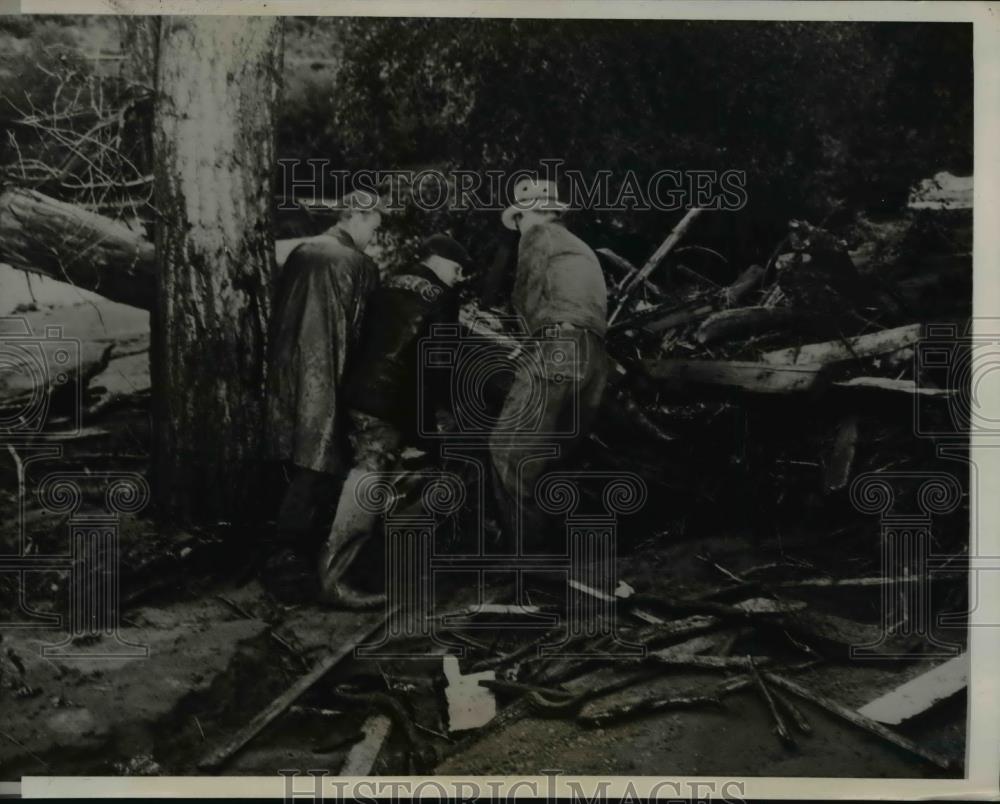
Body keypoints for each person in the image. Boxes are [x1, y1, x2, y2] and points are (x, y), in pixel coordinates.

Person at [318, 234, 474, 608]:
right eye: (456, 270)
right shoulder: (442, 298)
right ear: (439, 262)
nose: (458, 278)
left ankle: (374, 566)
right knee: (369, 483)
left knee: (372, 478)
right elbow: (431, 373)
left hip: (357, 393)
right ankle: (335, 581)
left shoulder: (388, 282)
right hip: (390, 404)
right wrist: (428, 431)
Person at [264, 189, 384, 602]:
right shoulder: (358, 265)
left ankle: (283, 556)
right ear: (355, 218)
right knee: (319, 465)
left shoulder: (300, 253)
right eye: (374, 226)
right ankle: (296, 563)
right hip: (328, 374)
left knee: (295, 459)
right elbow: (365, 333)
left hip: (289, 369)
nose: (375, 235)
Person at [489, 177, 609, 549]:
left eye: (520, 220)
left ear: (533, 214)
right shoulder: (581, 247)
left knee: (507, 453)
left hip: (557, 347)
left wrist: (511, 327)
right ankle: (559, 556)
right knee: (546, 461)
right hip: (593, 359)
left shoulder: (538, 236)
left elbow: (527, 290)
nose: (519, 229)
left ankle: (529, 562)